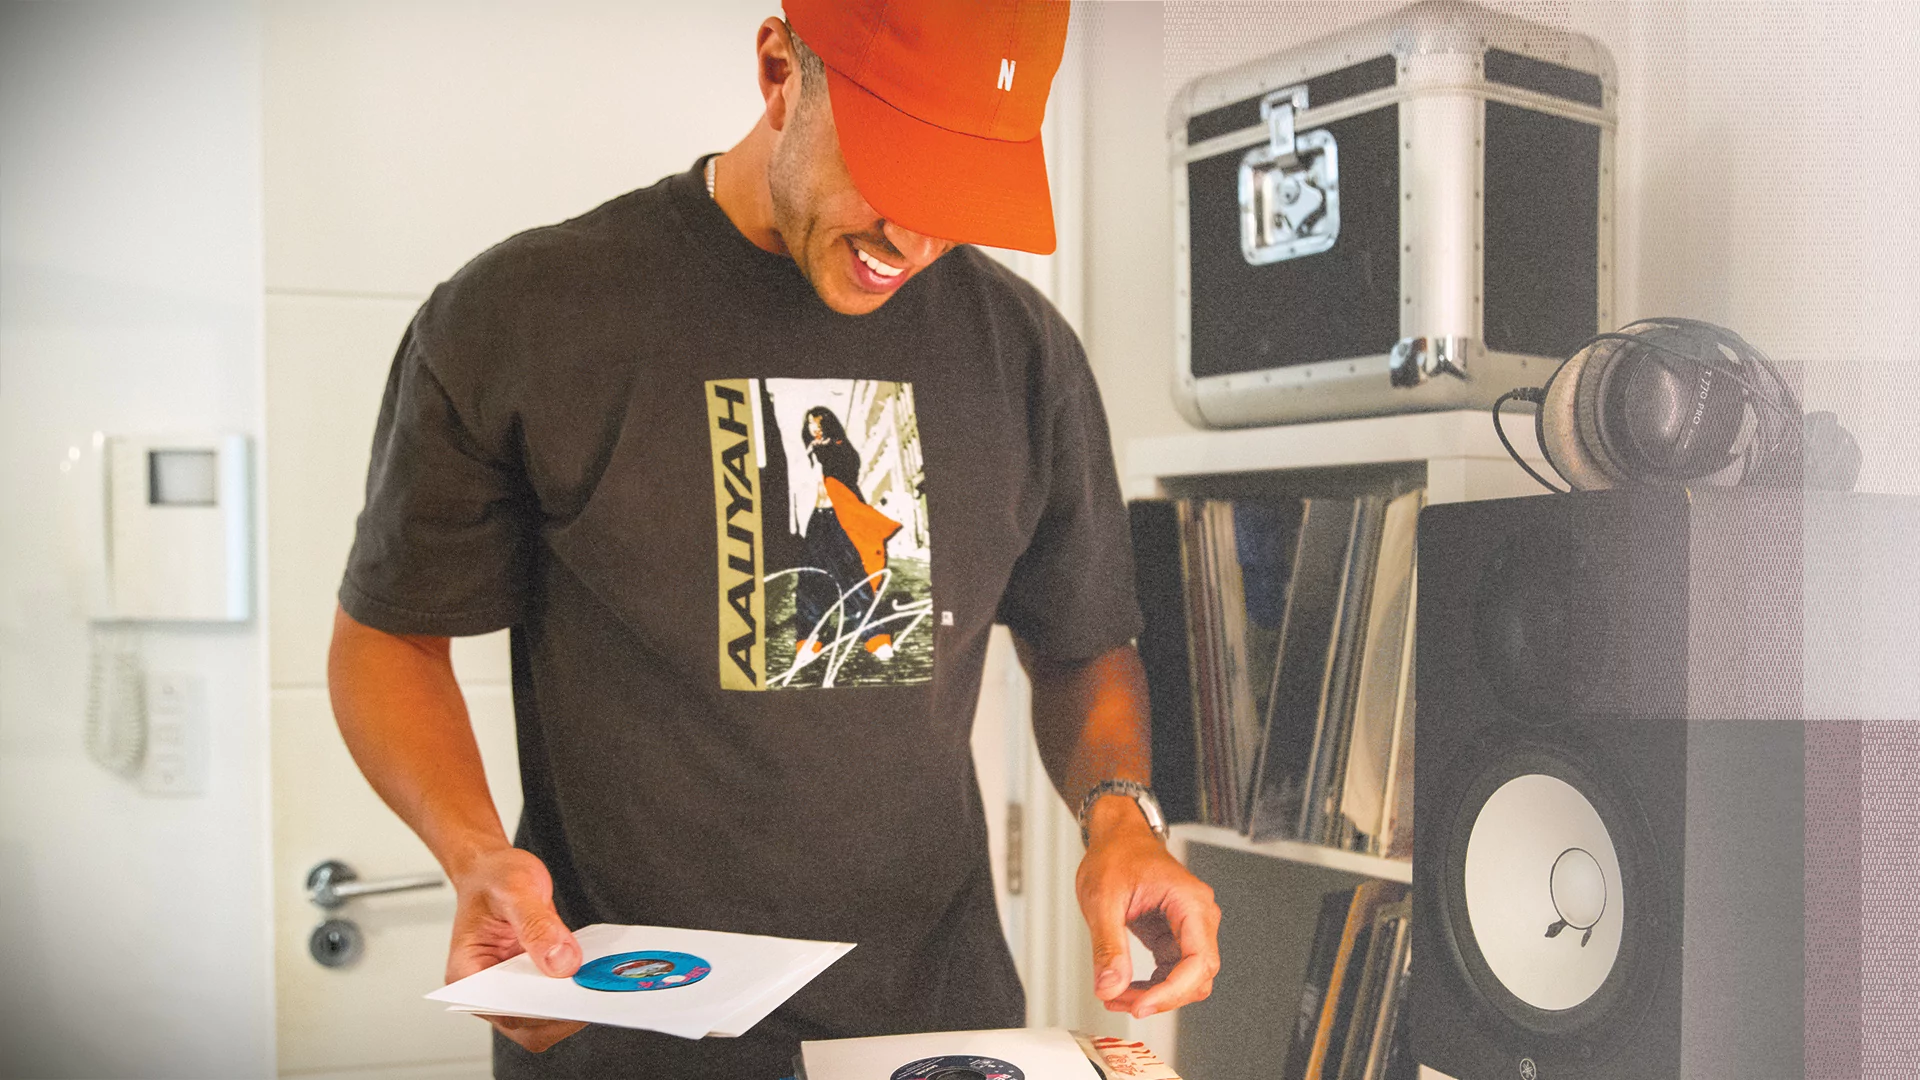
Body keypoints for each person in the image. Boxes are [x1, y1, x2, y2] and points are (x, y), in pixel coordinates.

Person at [326, 1, 1222, 1076]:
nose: (914, 240)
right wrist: (475, 856)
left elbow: (1080, 642)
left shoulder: (1020, 352)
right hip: (622, 1026)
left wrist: (1120, 817)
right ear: (779, 71)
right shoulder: (526, 316)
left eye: (959, 197)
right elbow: (389, 639)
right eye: (895, 174)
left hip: (935, 1030)